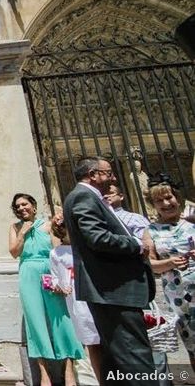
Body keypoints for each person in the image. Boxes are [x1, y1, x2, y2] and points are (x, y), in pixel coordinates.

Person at [63, 157, 157, 385]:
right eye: (108, 173)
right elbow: (97, 237)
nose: (114, 178)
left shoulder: (87, 197)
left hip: (109, 290)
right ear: (93, 174)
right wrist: (136, 244)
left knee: (120, 358)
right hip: (113, 290)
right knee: (135, 359)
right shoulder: (84, 197)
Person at [9, 193, 84, 386]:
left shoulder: (49, 225)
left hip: (49, 270)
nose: (21, 208)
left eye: (24, 204)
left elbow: (57, 249)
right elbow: (14, 252)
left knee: (61, 319)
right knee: (35, 322)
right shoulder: (15, 227)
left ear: (33, 206)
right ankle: (44, 374)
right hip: (28, 273)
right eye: (17, 206)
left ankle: (69, 370)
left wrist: (61, 279)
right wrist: (22, 233)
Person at [145, 175, 195, 372]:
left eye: (169, 198)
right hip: (179, 297)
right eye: (159, 200)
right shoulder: (150, 231)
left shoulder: (192, 222)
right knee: (193, 345)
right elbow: (150, 263)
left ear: (178, 197)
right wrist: (169, 262)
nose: (166, 203)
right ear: (153, 205)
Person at [49, 212, 102, 383]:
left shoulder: (86, 248)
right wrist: (58, 286)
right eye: (65, 229)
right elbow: (54, 275)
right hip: (74, 297)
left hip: (92, 294)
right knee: (87, 334)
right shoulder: (56, 253)